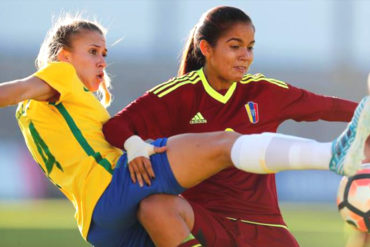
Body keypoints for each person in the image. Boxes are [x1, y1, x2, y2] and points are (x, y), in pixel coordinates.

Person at [0, 14, 369, 247]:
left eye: (104, 54)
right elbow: (14, 90)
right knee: (224, 144)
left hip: (100, 225)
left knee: (158, 208)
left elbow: (326, 105)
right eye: (93, 51)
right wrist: (134, 144)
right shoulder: (60, 76)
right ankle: (331, 155)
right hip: (125, 189)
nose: (101, 60)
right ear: (64, 56)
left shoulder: (40, 112)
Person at [103, 6, 362, 247]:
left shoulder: (263, 91)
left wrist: (366, 115)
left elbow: (326, 107)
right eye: (235, 46)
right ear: (206, 48)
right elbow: (116, 126)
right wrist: (134, 146)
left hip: (264, 226)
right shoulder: (180, 94)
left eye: (250, 47)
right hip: (206, 220)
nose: (245, 57)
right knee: (154, 207)